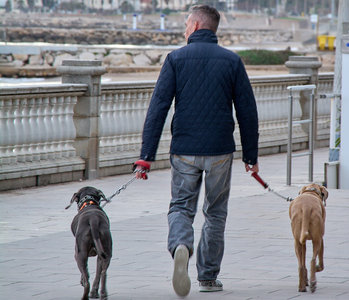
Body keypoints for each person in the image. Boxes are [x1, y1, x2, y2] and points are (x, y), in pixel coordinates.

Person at [134, 4, 259, 297]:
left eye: (187, 22)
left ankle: (181, 245)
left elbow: (158, 108)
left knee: (181, 207)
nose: (184, 27)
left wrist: (146, 157)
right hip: (219, 150)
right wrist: (251, 157)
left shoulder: (176, 58)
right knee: (215, 214)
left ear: (197, 25)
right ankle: (208, 278)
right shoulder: (232, 61)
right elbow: (247, 112)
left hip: (184, 149)